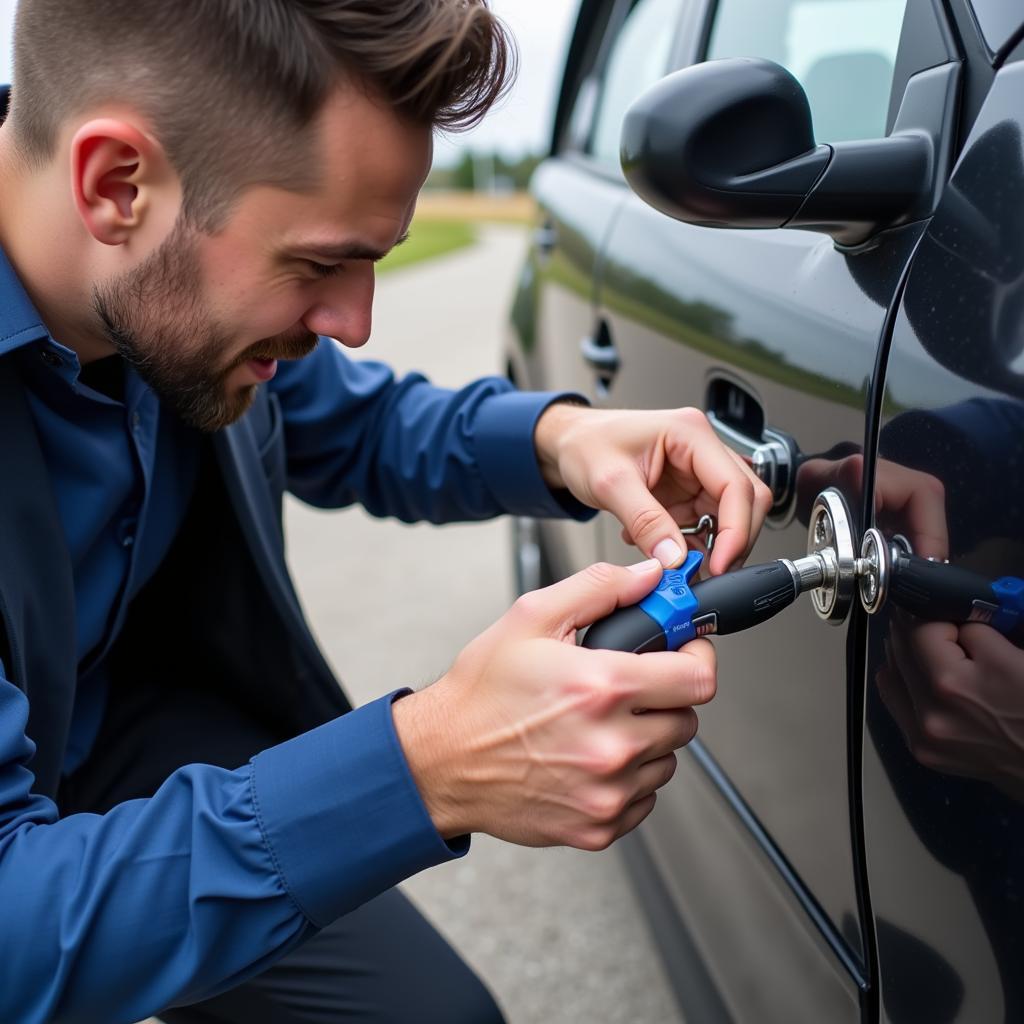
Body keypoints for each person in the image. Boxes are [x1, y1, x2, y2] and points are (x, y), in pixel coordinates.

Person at [0, 2, 771, 1021]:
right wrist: (428, 762)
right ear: (116, 184)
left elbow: (345, 420)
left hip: (119, 738)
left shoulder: (158, 287)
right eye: (319, 264)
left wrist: (562, 439)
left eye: (376, 258)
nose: (355, 323)